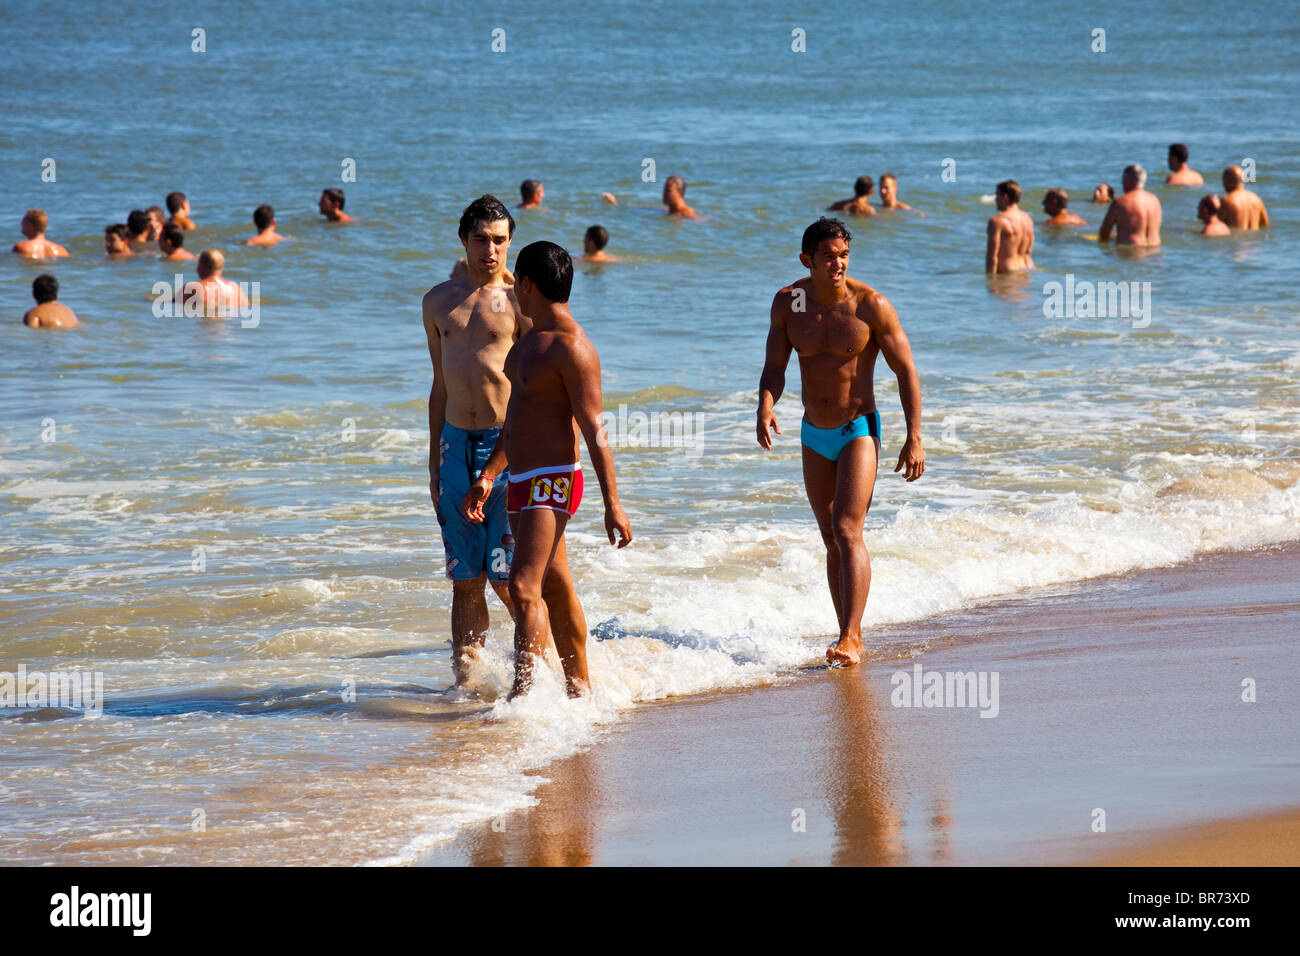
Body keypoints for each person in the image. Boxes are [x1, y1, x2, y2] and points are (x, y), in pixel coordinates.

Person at [462, 241, 632, 699]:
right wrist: (490, 475)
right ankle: (581, 692)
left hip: (555, 478)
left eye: (519, 281)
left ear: (530, 285)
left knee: (522, 585)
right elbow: (515, 420)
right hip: (519, 480)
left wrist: (613, 504)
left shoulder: (573, 349)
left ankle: (525, 698)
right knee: (555, 589)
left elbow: (596, 429)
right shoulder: (527, 346)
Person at [756, 217, 924, 667]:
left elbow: (905, 370)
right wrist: (765, 405)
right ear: (806, 260)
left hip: (858, 429)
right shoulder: (788, 303)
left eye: (844, 255)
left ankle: (851, 637)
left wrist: (914, 436)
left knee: (848, 528)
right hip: (814, 432)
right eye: (829, 256)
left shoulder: (871, 305)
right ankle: (847, 632)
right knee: (830, 536)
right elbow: (775, 367)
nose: (838, 264)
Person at [422, 195, 529, 687]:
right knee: (465, 581)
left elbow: (538, 387)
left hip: (506, 448)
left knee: (511, 583)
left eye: (500, 240)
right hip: (453, 447)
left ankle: (541, 683)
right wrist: (432, 464)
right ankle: (465, 691)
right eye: (482, 239)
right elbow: (439, 387)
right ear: (463, 239)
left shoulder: (519, 301)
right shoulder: (438, 301)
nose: (491, 250)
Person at [1099, 164, 1162, 246]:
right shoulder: (1155, 201)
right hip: (1155, 252)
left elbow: (1104, 234)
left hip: (1132, 253)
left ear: (1126, 180)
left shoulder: (1120, 202)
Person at [985, 180, 1034, 273]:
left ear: (1005, 197)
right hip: (1026, 270)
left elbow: (992, 257)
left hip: (1008, 273)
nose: (996, 199)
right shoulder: (1028, 219)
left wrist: (991, 283)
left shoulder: (997, 221)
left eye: (997, 195)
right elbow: (1028, 251)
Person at [183, 249, 250, 317]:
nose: (196, 270)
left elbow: (173, 307)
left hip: (205, 324)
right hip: (229, 325)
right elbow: (247, 308)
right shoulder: (236, 288)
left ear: (203, 266)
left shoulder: (192, 287)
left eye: (198, 265)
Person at [1219, 165, 1270, 230]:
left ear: (1227, 181)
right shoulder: (1256, 199)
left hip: (1235, 239)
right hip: (1254, 239)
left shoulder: (1227, 200)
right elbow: (1265, 225)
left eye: (1223, 180)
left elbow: (1215, 225)